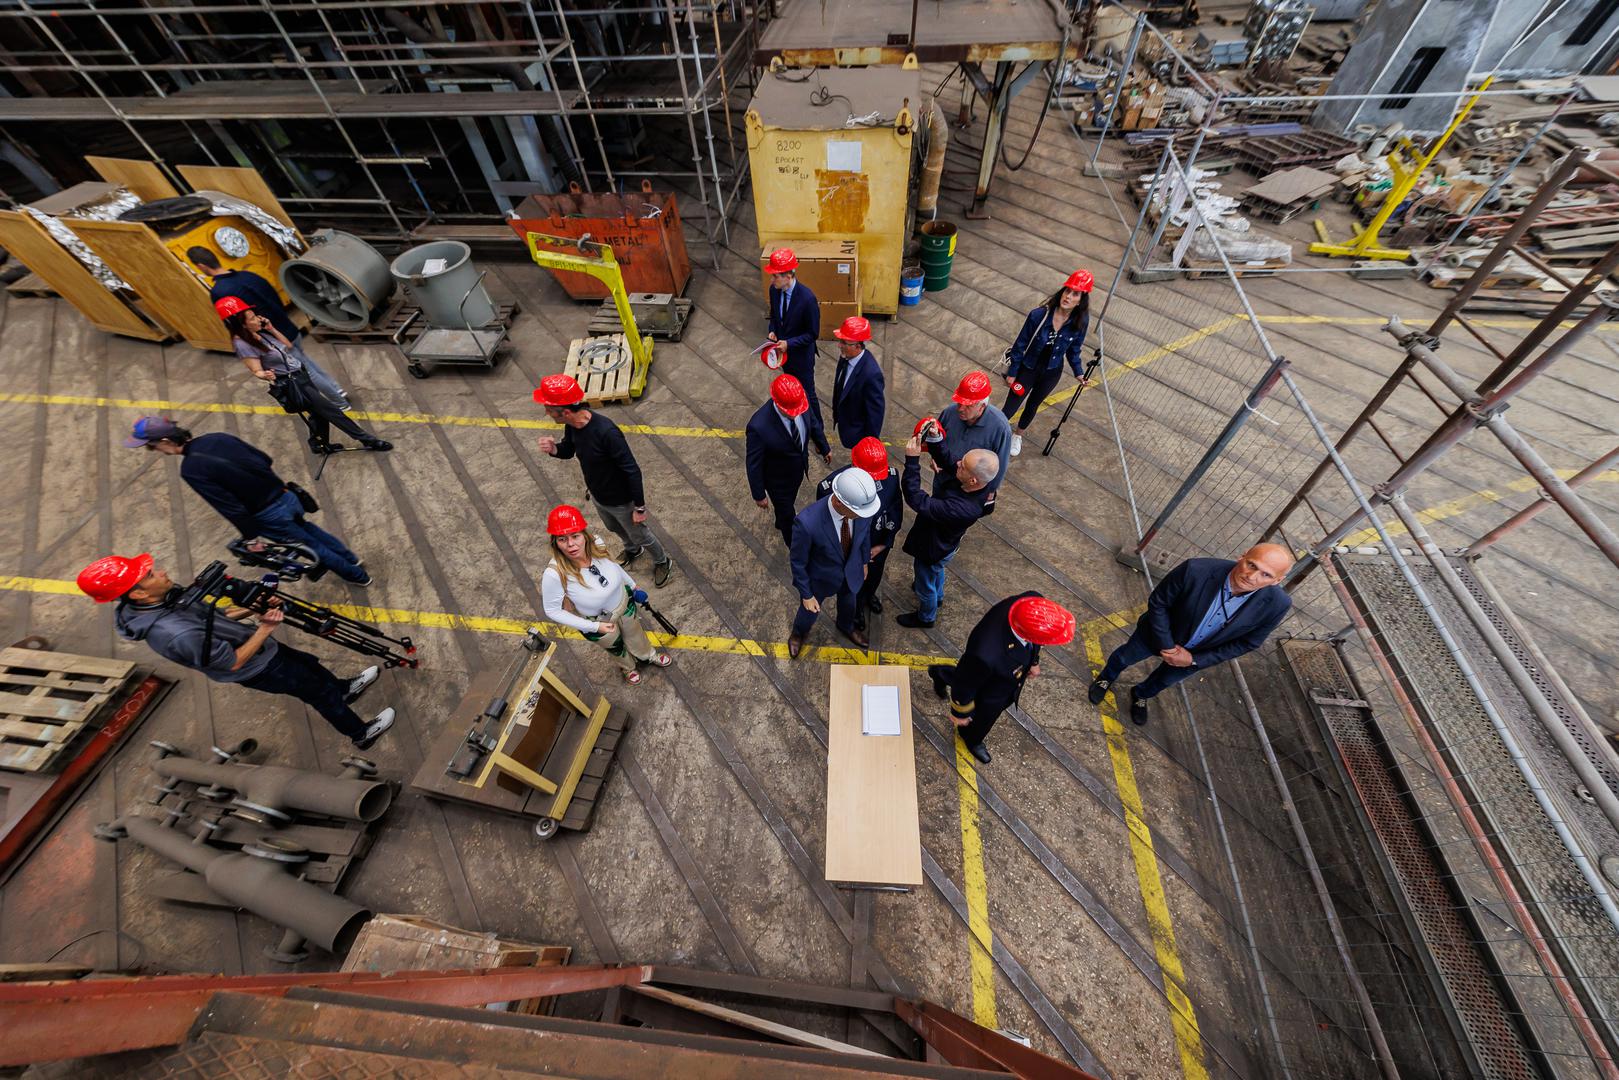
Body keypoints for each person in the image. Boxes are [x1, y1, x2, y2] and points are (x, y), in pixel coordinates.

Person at [77, 553, 394, 748]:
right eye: (148, 575)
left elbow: (215, 617)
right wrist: (266, 628)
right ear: (137, 594)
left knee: (311, 665)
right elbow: (231, 662)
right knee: (317, 694)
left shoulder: (168, 599)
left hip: (263, 647)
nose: (159, 572)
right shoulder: (174, 634)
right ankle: (360, 733)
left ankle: (346, 689)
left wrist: (252, 610)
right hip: (258, 666)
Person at [123, 417, 372, 586]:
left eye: (152, 447)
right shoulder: (218, 437)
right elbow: (264, 459)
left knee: (308, 545)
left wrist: (251, 539)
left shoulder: (191, 469)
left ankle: (357, 575)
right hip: (288, 496)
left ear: (166, 442)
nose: (154, 451)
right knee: (310, 530)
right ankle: (351, 559)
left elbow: (230, 507)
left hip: (269, 514)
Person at [1089, 544, 1295, 726]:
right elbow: (1159, 603)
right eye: (1251, 565)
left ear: (1278, 580)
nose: (1251, 576)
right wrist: (1168, 646)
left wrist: (1194, 659)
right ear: (1242, 556)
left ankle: (1141, 694)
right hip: (1158, 633)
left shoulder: (1278, 605)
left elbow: (1249, 643)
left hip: (1196, 655)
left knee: (1162, 682)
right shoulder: (1195, 569)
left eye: (1266, 575)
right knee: (1125, 657)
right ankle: (1105, 678)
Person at [534, 374, 673, 587]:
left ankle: (662, 561)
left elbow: (632, 470)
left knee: (641, 534)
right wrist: (554, 449)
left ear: (566, 412)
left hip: (621, 500)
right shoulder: (572, 425)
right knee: (614, 527)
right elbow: (569, 450)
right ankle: (632, 550)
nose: (545, 412)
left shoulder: (607, 432)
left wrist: (639, 507)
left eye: (549, 409)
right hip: (599, 495)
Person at [219, 297, 389, 455]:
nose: (258, 318)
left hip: (301, 374)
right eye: (252, 317)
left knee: (318, 413)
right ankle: (368, 440)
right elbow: (255, 371)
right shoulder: (242, 344)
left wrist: (271, 329)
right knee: (331, 410)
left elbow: (287, 345)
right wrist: (264, 374)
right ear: (240, 324)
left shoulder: (257, 333)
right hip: (292, 383)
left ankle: (318, 444)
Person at [191, 246, 350, 408]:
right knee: (307, 363)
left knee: (307, 373)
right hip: (288, 328)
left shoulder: (220, 291)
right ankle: (336, 389)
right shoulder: (249, 276)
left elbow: (234, 322)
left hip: (274, 340)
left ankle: (339, 401)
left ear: (201, 266)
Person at [928, 593, 1075, 764]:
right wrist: (960, 712)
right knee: (984, 713)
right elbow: (965, 683)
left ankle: (940, 673)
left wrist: (1033, 661)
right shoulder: (985, 653)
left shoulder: (1032, 603)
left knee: (970, 676)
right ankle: (972, 739)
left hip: (995, 670)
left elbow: (1036, 640)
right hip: (994, 685)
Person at [540, 505, 672, 684]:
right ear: (555, 542)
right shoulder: (554, 574)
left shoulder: (597, 543)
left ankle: (648, 655)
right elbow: (553, 611)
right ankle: (628, 668)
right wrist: (594, 627)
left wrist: (633, 586)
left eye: (575, 536)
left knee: (635, 634)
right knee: (615, 647)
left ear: (584, 534)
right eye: (562, 539)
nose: (571, 544)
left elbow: (614, 566)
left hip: (624, 604)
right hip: (597, 621)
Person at [895, 432, 999, 629]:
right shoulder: (984, 486)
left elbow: (916, 498)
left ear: (973, 480)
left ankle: (926, 616)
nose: (958, 463)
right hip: (947, 545)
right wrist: (936, 439)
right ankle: (939, 596)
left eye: (963, 466)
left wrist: (912, 461)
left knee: (925, 581)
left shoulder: (960, 509)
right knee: (937, 570)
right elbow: (950, 461)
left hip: (933, 547)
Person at [788, 468, 881, 657]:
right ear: (838, 501)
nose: (863, 515)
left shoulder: (861, 508)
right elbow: (798, 562)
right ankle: (798, 634)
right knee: (808, 613)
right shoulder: (807, 523)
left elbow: (864, 537)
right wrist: (806, 595)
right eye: (856, 512)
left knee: (849, 605)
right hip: (820, 580)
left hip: (851, 574)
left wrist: (863, 561)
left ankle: (846, 627)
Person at [1002, 270, 1092, 458]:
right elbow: (1020, 344)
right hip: (1028, 368)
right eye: (1067, 290)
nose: (1068, 296)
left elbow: (1074, 349)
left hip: (1051, 373)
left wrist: (1079, 372)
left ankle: (1017, 436)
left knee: (1032, 406)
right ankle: (995, 434)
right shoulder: (1038, 315)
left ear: (1081, 300)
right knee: (1010, 407)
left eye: (1075, 294)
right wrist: (1012, 372)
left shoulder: (1081, 321)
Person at [815, 436, 902, 630]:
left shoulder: (892, 477)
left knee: (874, 577)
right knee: (852, 585)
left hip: (877, 546)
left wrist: (884, 544)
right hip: (851, 550)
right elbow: (829, 526)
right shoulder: (830, 489)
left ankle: (868, 597)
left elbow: (896, 511)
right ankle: (855, 613)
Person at [746, 373, 831, 549]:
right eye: (789, 412)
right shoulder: (758, 427)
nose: (796, 414)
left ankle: (781, 515)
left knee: (786, 505)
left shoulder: (800, 398)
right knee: (786, 514)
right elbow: (753, 463)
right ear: (777, 402)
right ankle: (794, 543)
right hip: (778, 482)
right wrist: (759, 494)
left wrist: (824, 446)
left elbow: (813, 422)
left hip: (798, 470)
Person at [923, 371, 1012, 496]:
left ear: (982, 406)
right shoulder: (949, 412)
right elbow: (937, 437)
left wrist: (990, 492)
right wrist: (934, 458)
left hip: (968, 491)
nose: (960, 409)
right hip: (942, 478)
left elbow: (999, 467)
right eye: (960, 402)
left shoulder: (1000, 428)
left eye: (968, 406)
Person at [765, 248, 823, 426]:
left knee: (807, 393)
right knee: (791, 390)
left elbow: (813, 334)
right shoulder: (774, 290)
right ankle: (797, 418)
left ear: (788, 276)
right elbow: (774, 315)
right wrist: (773, 329)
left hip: (801, 357)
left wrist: (789, 343)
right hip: (784, 356)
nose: (772, 279)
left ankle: (817, 429)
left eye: (775, 276)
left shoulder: (807, 299)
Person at [829, 316, 885, 449]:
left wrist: (869, 446)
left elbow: (875, 415)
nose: (839, 345)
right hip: (846, 426)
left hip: (858, 436)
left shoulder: (871, 375)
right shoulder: (845, 356)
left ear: (858, 346)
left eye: (843, 342)